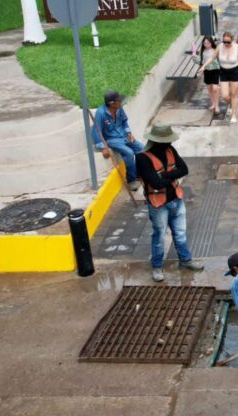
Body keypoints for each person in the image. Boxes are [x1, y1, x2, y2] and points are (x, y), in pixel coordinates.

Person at [135, 123, 204, 282]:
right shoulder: (142, 159)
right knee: (159, 237)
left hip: (176, 200)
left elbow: (184, 169)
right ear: (157, 141)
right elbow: (156, 183)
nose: (170, 143)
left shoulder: (170, 150)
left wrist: (164, 175)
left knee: (180, 234)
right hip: (158, 204)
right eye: (167, 140)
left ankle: (186, 260)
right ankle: (157, 266)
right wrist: (172, 174)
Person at [92, 90, 144, 191]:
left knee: (141, 148)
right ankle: (131, 180)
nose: (121, 103)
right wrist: (103, 147)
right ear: (112, 104)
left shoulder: (119, 109)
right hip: (112, 139)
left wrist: (129, 133)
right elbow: (96, 130)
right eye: (118, 101)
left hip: (124, 135)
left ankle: (139, 173)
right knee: (129, 153)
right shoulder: (101, 113)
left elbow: (124, 122)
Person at [201, 31, 238, 124]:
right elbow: (212, 58)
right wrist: (204, 66)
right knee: (224, 95)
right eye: (224, 42)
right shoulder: (220, 46)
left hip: (234, 71)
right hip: (223, 72)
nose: (226, 44)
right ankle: (232, 103)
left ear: (232, 41)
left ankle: (234, 114)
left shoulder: (237, 48)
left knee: (234, 94)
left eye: (228, 42)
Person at [193, 36, 221, 114]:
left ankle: (217, 106)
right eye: (204, 43)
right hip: (207, 71)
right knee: (209, 88)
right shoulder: (203, 51)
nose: (206, 44)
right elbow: (200, 62)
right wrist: (194, 57)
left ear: (211, 43)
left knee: (215, 88)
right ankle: (213, 103)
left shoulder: (215, 50)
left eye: (208, 43)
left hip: (215, 70)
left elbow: (218, 60)